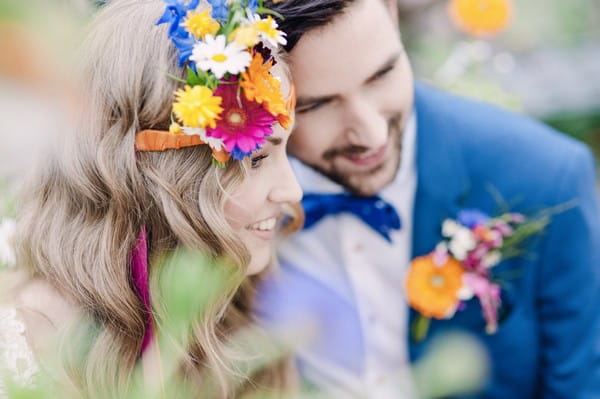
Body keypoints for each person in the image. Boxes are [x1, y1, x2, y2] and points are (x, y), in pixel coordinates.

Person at [257, 0, 600, 397]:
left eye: (383, 74)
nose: (371, 135)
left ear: (392, 12)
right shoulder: (226, 200)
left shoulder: (546, 178)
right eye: (315, 105)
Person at [0, 0, 302, 398]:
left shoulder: (243, 306)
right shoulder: (32, 340)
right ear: (161, 171)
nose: (293, 191)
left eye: (286, 151)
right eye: (257, 159)